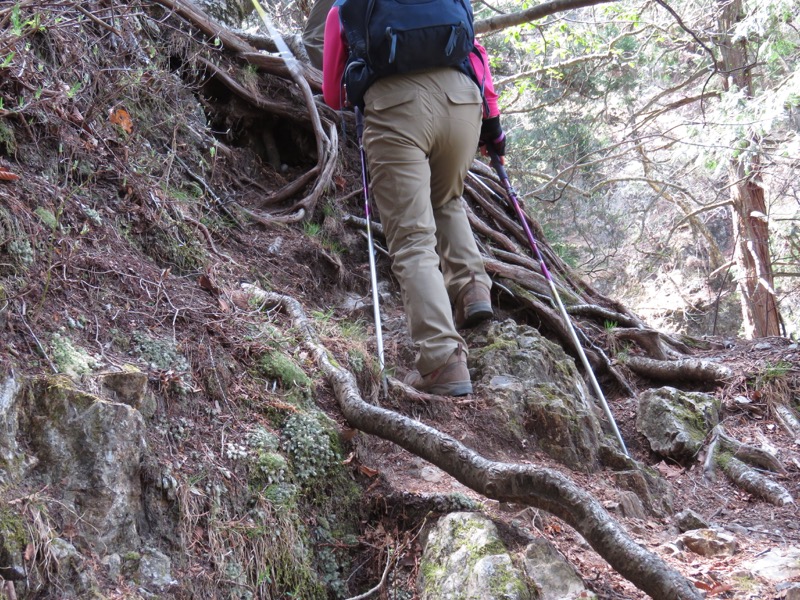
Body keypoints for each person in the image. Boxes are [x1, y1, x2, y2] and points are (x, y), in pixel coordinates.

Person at [322, 2, 506, 396]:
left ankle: (442, 361)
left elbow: (332, 93)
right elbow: (477, 57)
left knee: (412, 241)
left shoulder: (345, 6)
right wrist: (495, 131)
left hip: (396, 108)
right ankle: (472, 288)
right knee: (447, 198)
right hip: (463, 103)